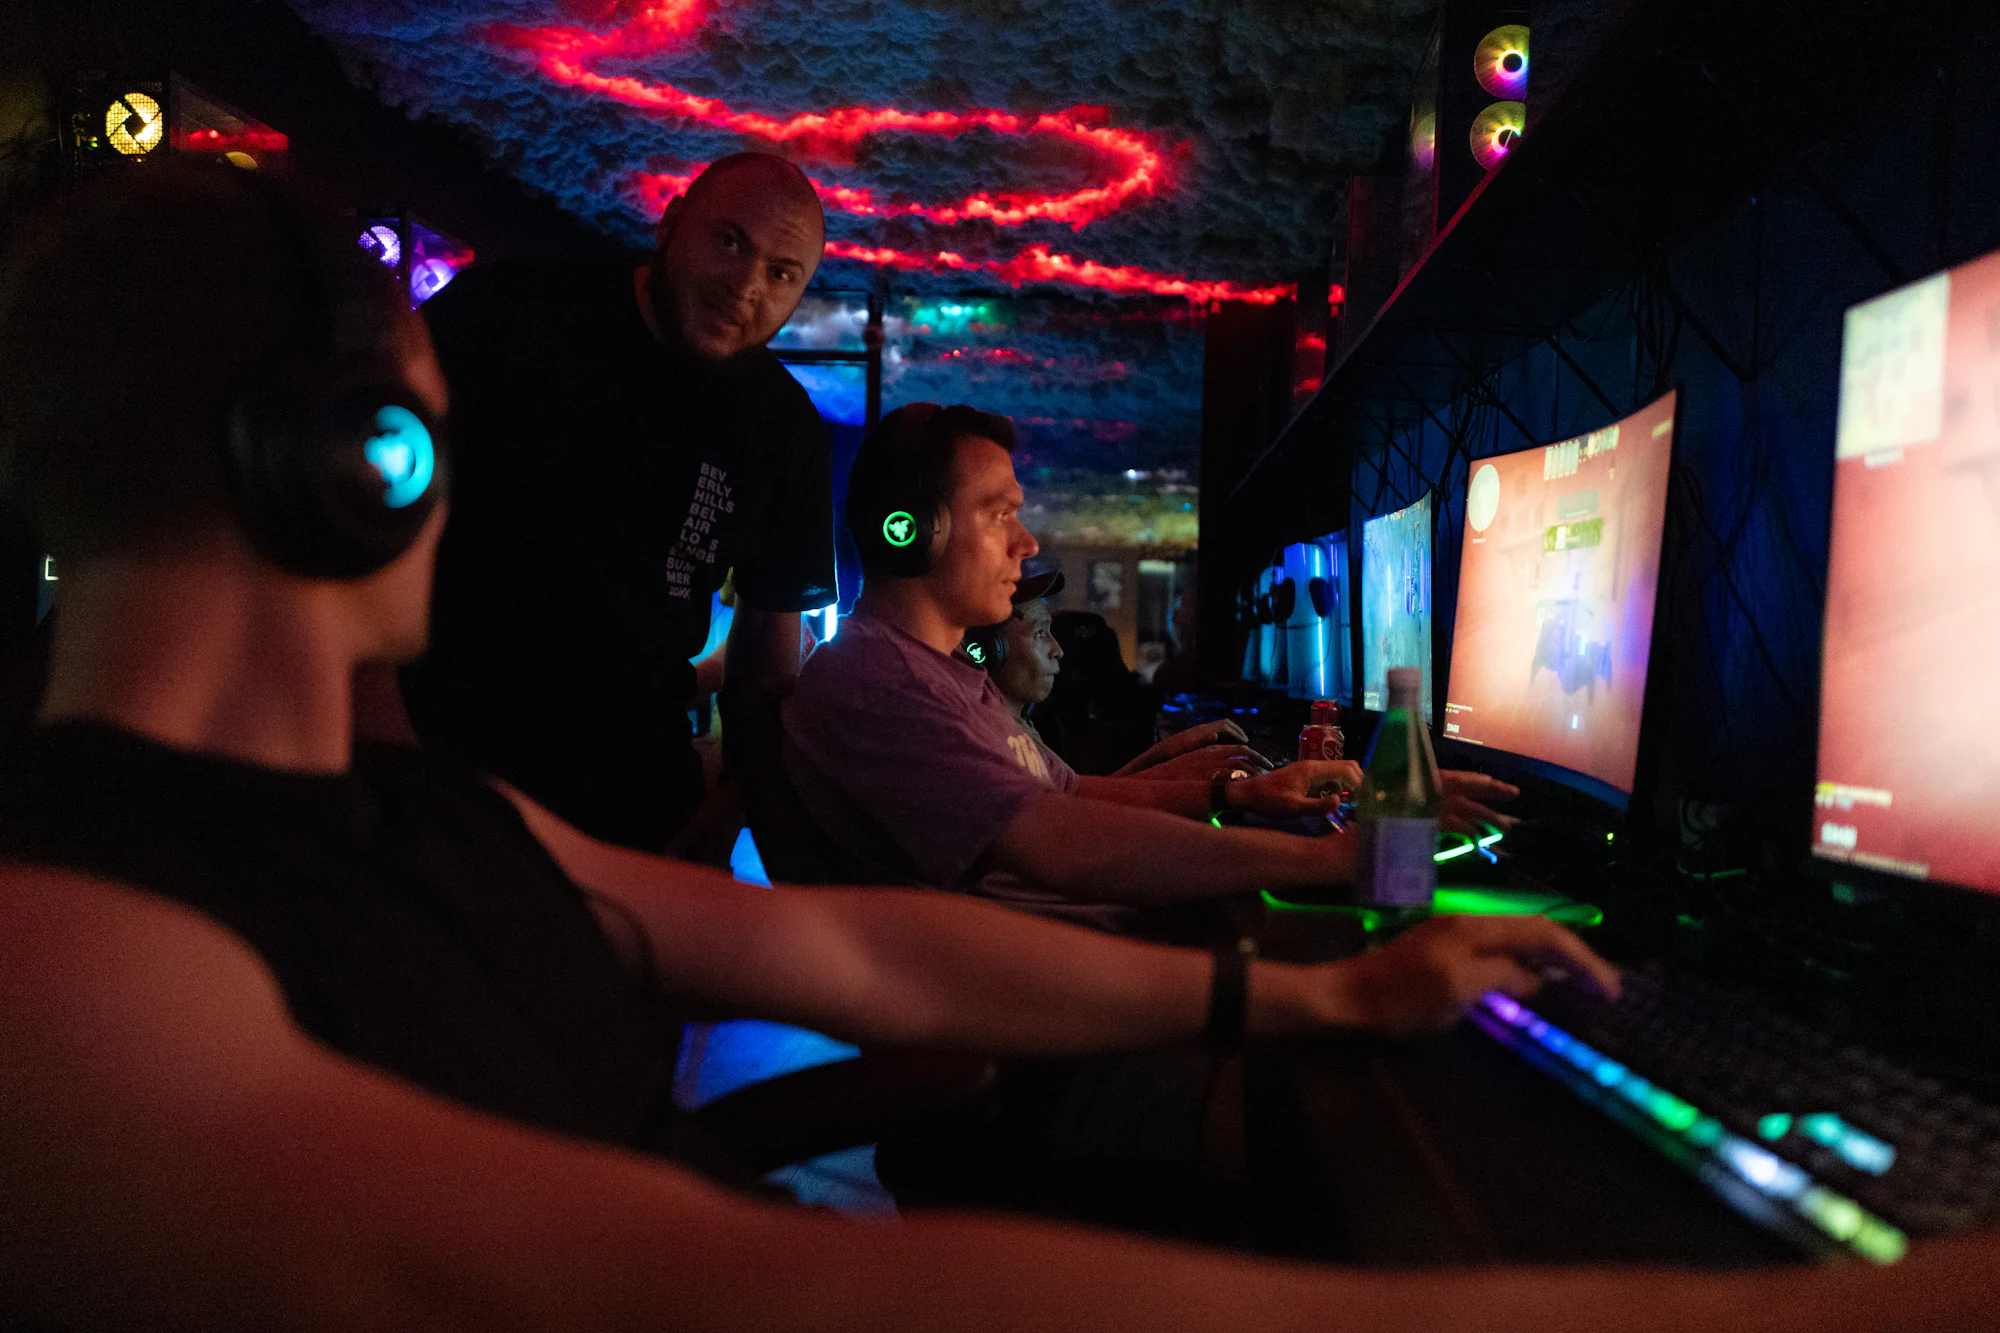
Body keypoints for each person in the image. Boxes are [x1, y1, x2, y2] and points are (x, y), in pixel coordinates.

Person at [0, 150, 1691, 1333]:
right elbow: (748, 1283)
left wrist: (1319, 996)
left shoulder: (412, 819)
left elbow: (858, 949)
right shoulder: (68, 964)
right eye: (426, 451)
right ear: (353, 470)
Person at [783, 403, 1522, 932]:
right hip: (1039, 1028)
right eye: (999, 513)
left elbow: (1068, 794)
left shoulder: (946, 675)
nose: (1027, 542)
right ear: (911, 531)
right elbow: (1059, 845)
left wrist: (1241, 794)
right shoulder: (879, 684)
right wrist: (1337, 859)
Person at [400, 152, 835, 852]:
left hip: (636, 795)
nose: (746, 285)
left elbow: (767, 661)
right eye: (729, 242)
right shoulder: (510, 311)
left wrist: (730, 807)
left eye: (782, 273)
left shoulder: (784, 430)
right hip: (438, 761)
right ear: (671, 225)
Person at [971, 578, 1273, 782]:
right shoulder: (992, 744)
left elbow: (1081, 795)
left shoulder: (1020, 724)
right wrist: (1220, 793)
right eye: (1040, 634)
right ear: (988, 651)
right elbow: (1076, 815)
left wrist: (1173, 749)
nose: (1059, 650)